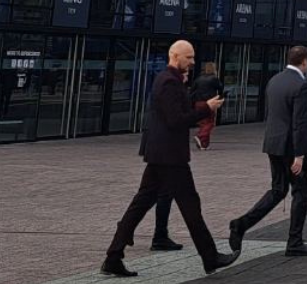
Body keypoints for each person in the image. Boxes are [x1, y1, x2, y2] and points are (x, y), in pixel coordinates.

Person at [100, 41, 235, 278]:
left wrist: (201, 105)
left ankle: (113, 256)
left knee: (141, 203)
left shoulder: (170, 80)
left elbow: (175, 113)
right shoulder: (169, 81)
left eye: (193, 57)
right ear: (175, 56)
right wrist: (207, 108)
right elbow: (177, 120)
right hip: (170, 156)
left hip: (160, 154)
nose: (192, 62)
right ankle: (210, 256)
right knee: (190, 205)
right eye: (189, 57)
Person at [228, 46, 307, 258]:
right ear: (304, 62)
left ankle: (241, 224)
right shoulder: (301, 86)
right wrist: (300, 155)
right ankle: (295, 241)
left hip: (273, 144)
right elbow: (300, 123)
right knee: (300, 193)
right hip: (292, 147)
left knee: (278, 190)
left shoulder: (274, 81)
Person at [191, 62, 223, 150]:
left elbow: (192, 91)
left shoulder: (198, 79)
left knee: (203, 123)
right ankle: (200, 136)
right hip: (209, 102)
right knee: (210, 122)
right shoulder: (214, 79)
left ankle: (204, 144)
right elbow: (220, 88)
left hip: (198, 102)